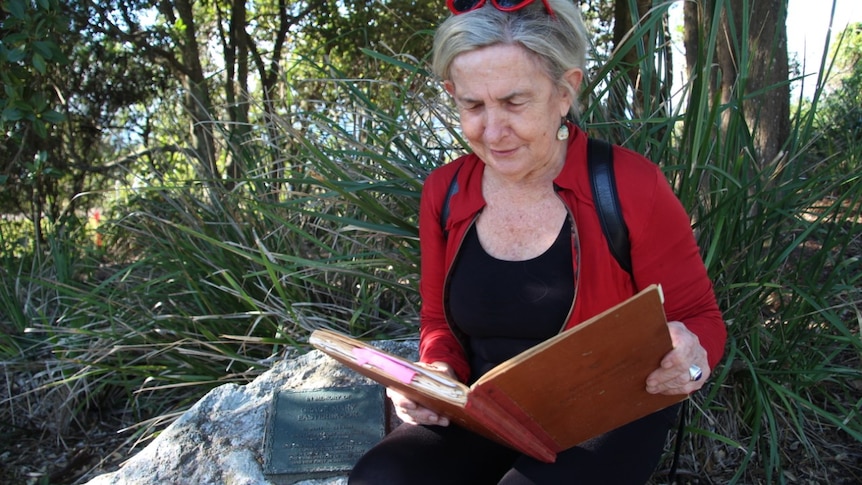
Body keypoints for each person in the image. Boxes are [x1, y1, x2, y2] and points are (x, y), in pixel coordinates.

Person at [349, 0, 726, 483]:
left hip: (605, 408)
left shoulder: (630, 185)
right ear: (452, 94)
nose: (492, 130)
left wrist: (691, 361)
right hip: (487, 407)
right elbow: (438, 321)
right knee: (380, 477)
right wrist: (435, 373)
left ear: (565, 90)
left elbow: (700, 318)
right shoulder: (445, 191)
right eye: (473, 105)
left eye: (513, 102)